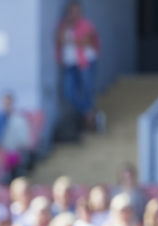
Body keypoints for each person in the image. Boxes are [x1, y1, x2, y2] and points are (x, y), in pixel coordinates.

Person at [55, 0, 101, 129]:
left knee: (87, 90)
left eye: (76, 11)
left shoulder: (86, 24)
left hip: (85, 62)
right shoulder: (63, 25)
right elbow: (60, 39)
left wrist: (70, 40)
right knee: (68, 93)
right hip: (70, 64)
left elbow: (87, 41)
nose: (74, 14)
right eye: (71, 11)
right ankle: (88, 111)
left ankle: (91, 118)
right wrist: (69, 31)